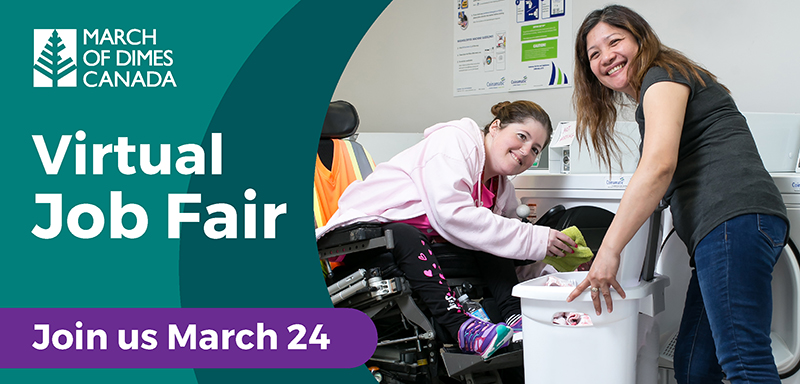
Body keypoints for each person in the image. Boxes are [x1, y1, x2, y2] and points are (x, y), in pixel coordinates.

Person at [565, 5, 789, 383]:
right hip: (727, 229)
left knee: (743, 361)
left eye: (614, 41)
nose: (606, 58)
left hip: (733, 221)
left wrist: (609, 251)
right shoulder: (657, 92)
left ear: (640, 38)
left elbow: (657, 168)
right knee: (694, 365)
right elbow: (655, 184)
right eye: (594, 54)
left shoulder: (664, 75)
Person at [317, 100, 577, 359]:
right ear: (496, 127)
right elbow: (452, 216)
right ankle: (461, 327)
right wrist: (536, 236)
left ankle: (515, 318)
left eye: (535, 149)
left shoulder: (501, 188)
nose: (525, 151)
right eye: (522, 136)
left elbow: (507, 242)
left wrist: (556, 279)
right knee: (411, 233)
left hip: (421, 248)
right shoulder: (454, 142)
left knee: (490, 234)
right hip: (367, 243)